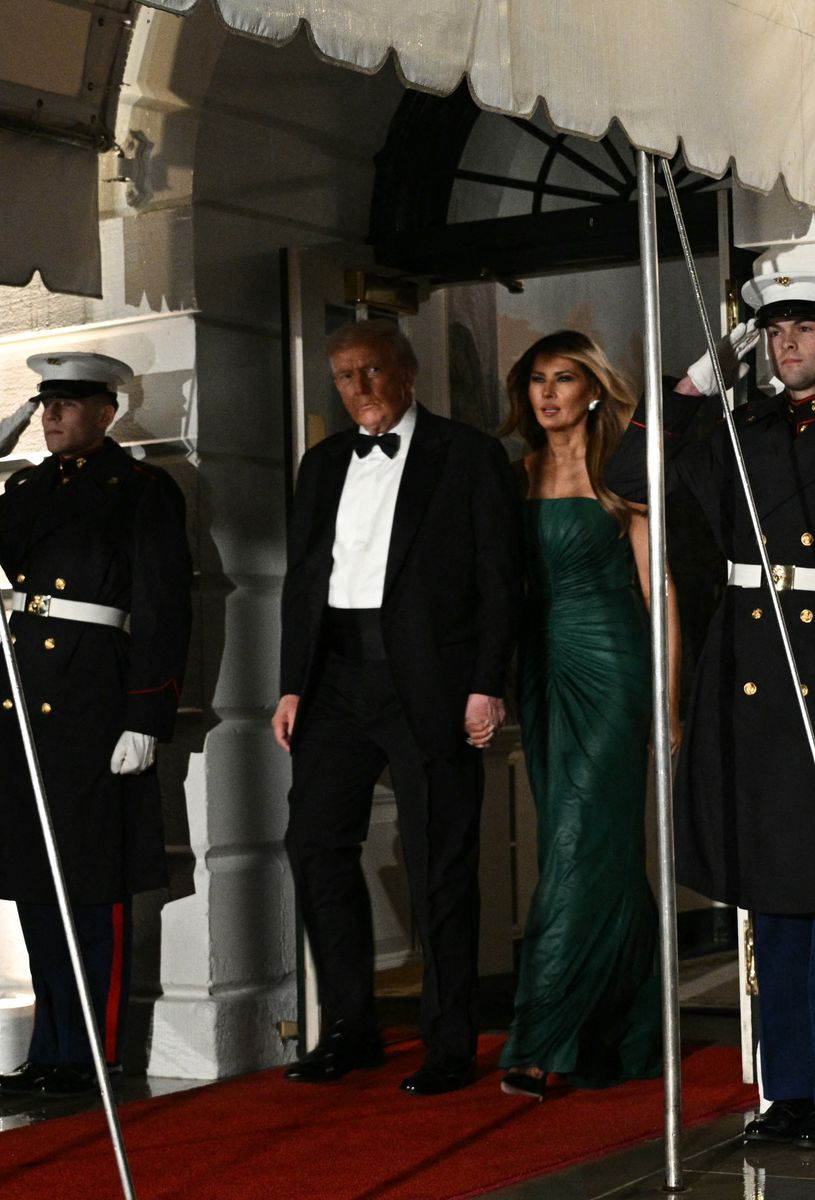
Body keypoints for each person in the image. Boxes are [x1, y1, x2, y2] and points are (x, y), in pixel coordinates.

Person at [607, 273, 815, 1149]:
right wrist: (696, 380)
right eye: (772, 331)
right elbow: (626, 475)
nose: (785, 343)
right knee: (771, 891)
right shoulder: (737, 428)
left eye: (804, 328)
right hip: (751, 674)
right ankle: (788, 1089)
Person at [272, 319, 522, 1096]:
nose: (359, 389)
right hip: (335, 681)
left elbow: (500, 580)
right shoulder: (320, 464)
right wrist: (291, 683)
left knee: (438, 860)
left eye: (372, 371)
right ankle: (351, 1027)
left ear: (406, 373)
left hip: (432, 683)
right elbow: (303, 579)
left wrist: (487, 684)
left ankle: (450, 1041)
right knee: (313, 845)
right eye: (344, 376)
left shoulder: (470, 454)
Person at [495, 330, 681, 1101]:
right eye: (536, 379)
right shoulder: (512, 477)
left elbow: (657, 590)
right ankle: (630, 1030)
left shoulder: (622, 471)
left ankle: (546, 1037)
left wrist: (667, 703)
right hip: (540, 670)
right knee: (595, 848)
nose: (546, 393)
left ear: (593, 389)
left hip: (611, 667)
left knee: (574, 842)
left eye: (562, 379)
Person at [0, 351, 192, 1097]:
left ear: (106, 412)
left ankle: (90, 1051)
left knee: (87, 881)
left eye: (67, 403)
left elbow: (165, 605)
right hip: (24, 698)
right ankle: (49, 1046)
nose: (50, 416)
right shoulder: (27, 487)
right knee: (32, 881)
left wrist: (146, 713)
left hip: (92, 700)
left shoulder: (140, 490)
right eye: (42, 404)